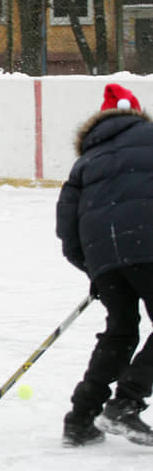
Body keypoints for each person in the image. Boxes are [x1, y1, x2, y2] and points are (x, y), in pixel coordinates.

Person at [56, 83, 153, 447]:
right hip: (148, 243)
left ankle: (80, 420)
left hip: (102, 256)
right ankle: (126, 403)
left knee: (121, 332)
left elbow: (66, 224)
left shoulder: (85, 160)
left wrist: (95, 269)